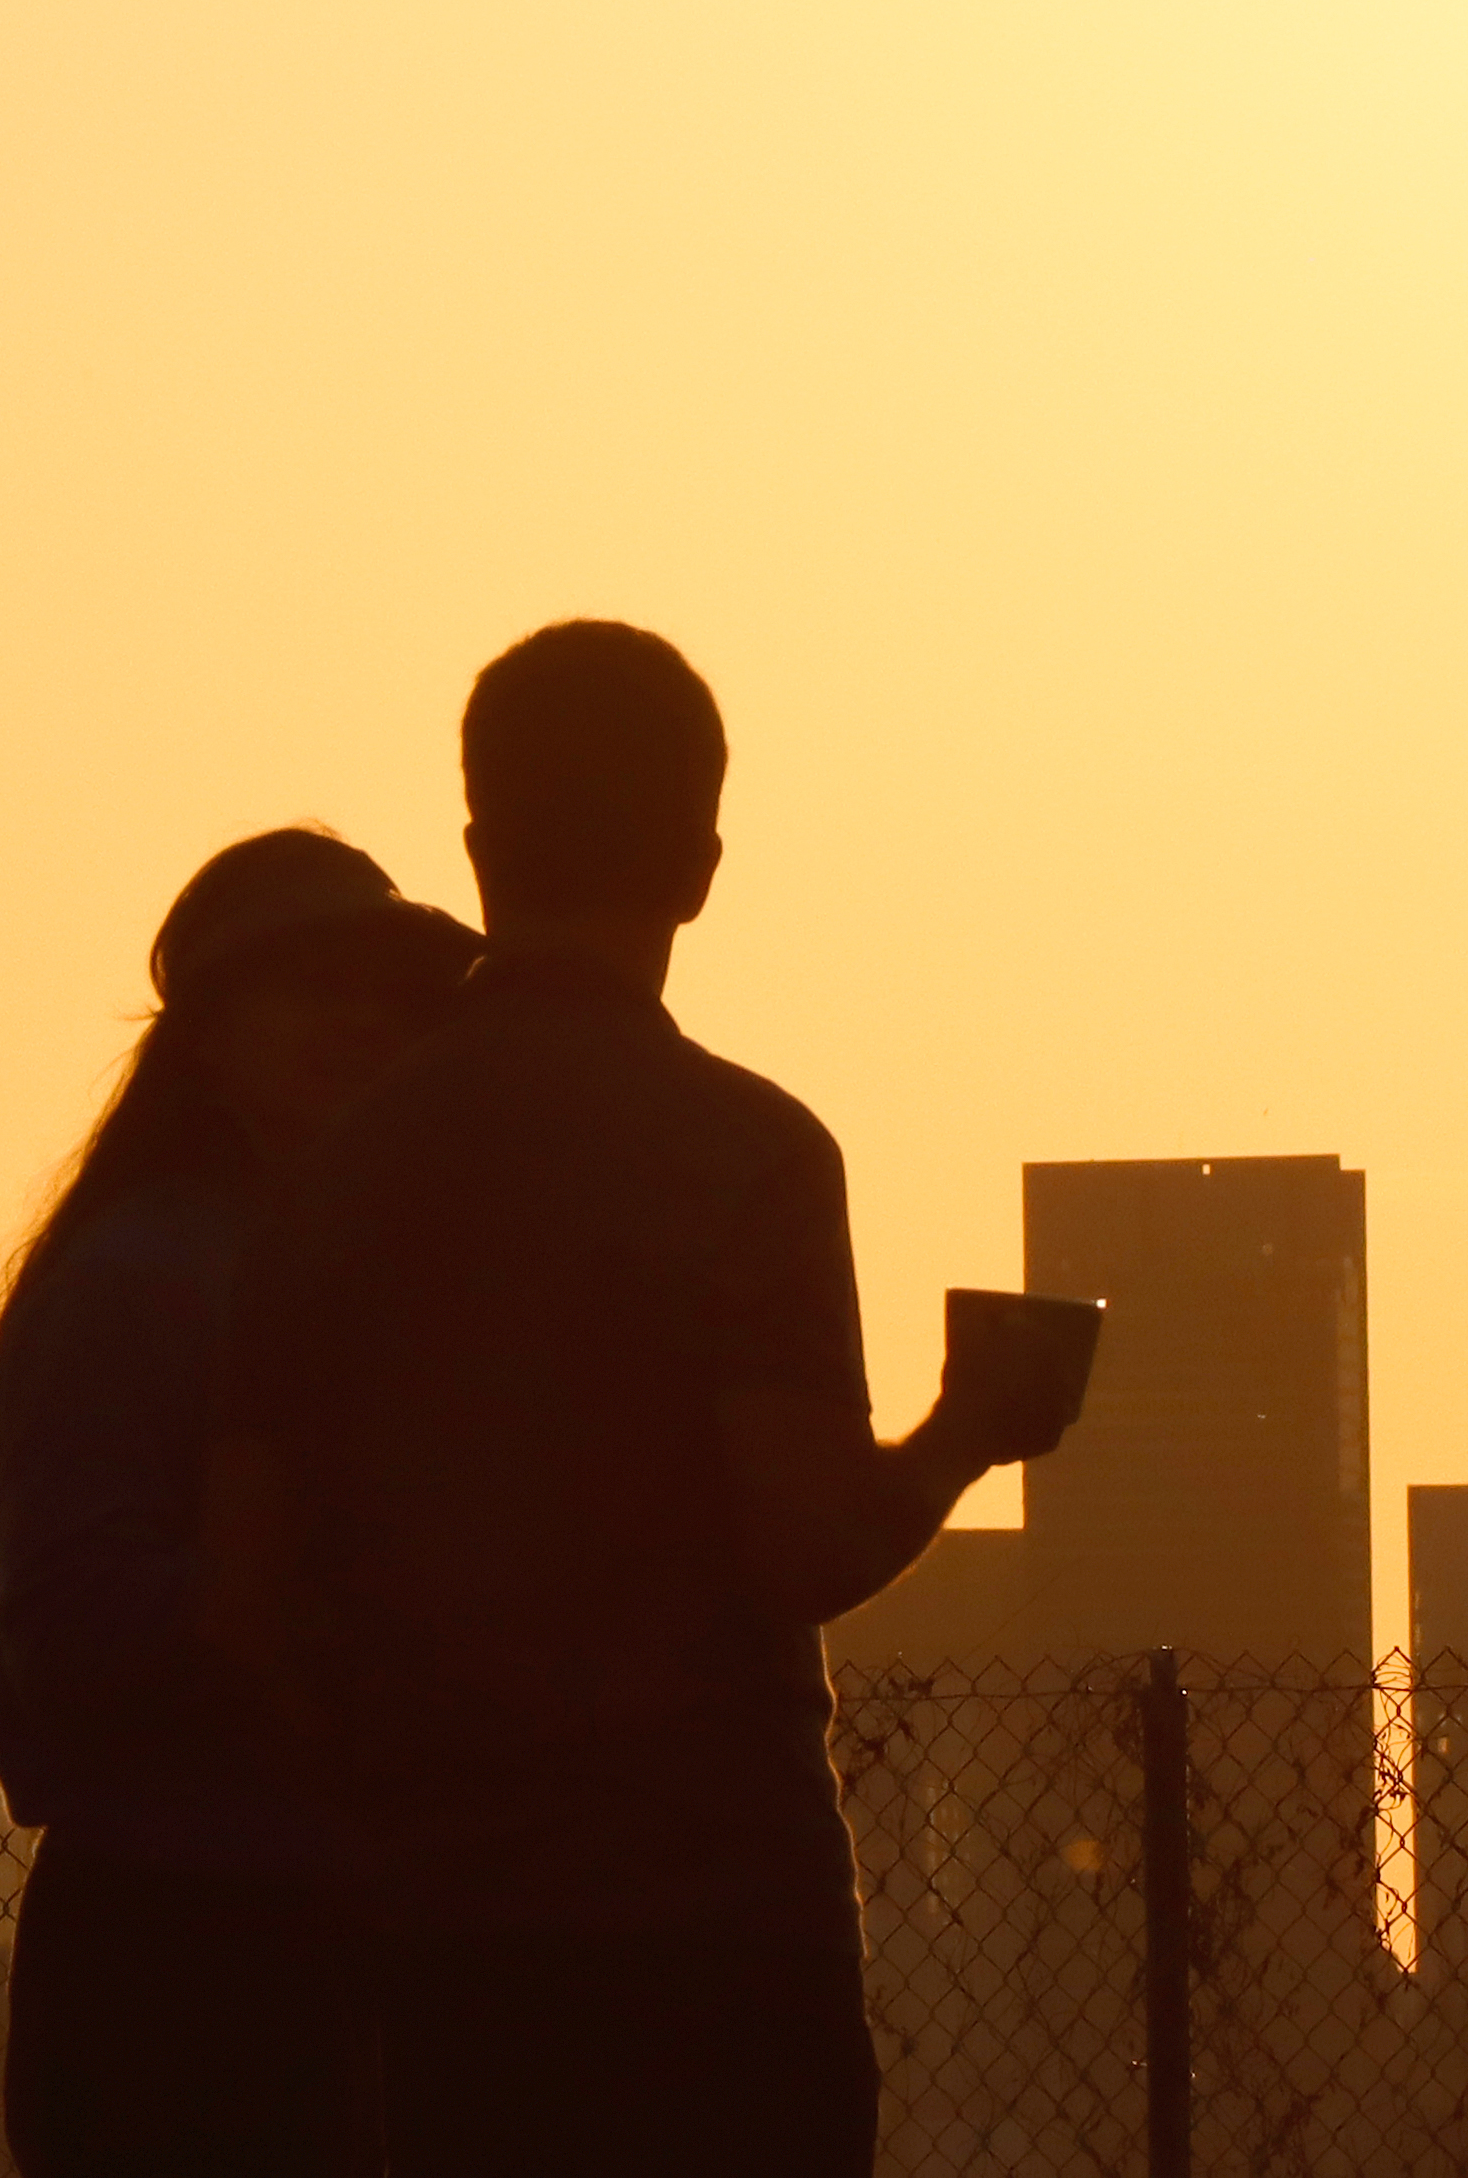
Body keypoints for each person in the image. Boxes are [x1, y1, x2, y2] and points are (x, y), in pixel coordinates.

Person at [208, 623, 1081, 2178]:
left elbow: (247, 1590)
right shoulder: (744, 1156)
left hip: (443, 1945)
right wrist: (966, 1434)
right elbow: (807, 1545)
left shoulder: (325, 1183)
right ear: (700, 861)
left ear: (479, 845)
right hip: (715, 1932)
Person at [0, 827, 476, 2177]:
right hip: (189, 1942)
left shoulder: (353, 1267)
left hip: (336, 1931)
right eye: (313, 987)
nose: (363, 1023)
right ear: (207, 1035)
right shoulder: (145, 1276)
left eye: (393, 994)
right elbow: (78, 1629)